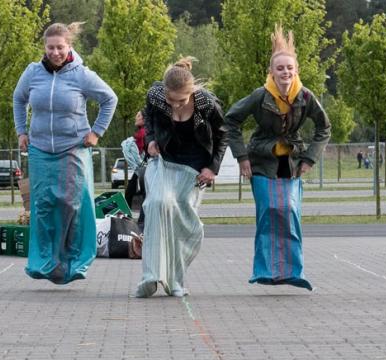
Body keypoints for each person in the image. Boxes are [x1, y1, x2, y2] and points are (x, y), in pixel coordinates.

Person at [225, 24, 330, 290]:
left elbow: (324, 127)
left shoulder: (305, 97)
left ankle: (293, 272)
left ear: (296, 71)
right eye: (279, 68)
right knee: (269, 213)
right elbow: (230, 121)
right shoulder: (260, 96)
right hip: (261, 160)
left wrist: (309, 158)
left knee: (290, 212)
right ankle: (265, 271)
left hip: (291, 161)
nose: (285, 72)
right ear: (271, 71)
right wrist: (241, 157)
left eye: (289, 68)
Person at [13, 22, 117, 284]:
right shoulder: (33, 72)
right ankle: (44, 262)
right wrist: (21, 131)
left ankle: (74, 262)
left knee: (72, 204)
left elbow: (109, 99)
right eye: (50, 47)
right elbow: (18, 98)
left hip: (72, 147)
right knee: (43, 205)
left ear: (69, 46)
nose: (55, 52)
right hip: (39, 148)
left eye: (60, 47)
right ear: (44, 47)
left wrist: (96, 132)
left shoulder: (81, 75)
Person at [135, 57, 227, 298]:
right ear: (164, 92)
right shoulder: (156, 95)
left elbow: (222, 135)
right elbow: (151, 117)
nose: (175, 106)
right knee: (156, 204)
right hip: (166, 160)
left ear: (192, 92)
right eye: (171, 100)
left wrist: (213, 168)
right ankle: (151, 276)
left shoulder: (206, 102)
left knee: (180, 221)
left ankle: (175, 280)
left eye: (182, 101)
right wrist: (151, 140)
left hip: (195, 166)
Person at [123, 110, 146, 212]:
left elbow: (141, 151)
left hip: (143, 168)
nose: (136, 118)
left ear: (144, 119)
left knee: (130, 192)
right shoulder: (141, 132)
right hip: (142, 168)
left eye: (138, 116)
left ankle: (128, 216)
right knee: (130, 191)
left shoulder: (143, 133)